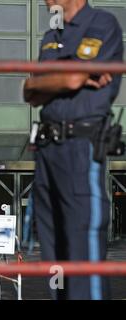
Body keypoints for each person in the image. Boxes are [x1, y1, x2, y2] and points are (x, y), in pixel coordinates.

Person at [23, 0, 124, 299]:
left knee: (83, 254)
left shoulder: (102, 25)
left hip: (81, 147)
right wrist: (68, 78)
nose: (45, 1)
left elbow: (51, 82)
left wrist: (47, 82)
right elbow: (30, 91)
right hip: (47, 150)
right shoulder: (51, 37)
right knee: (54, 257)